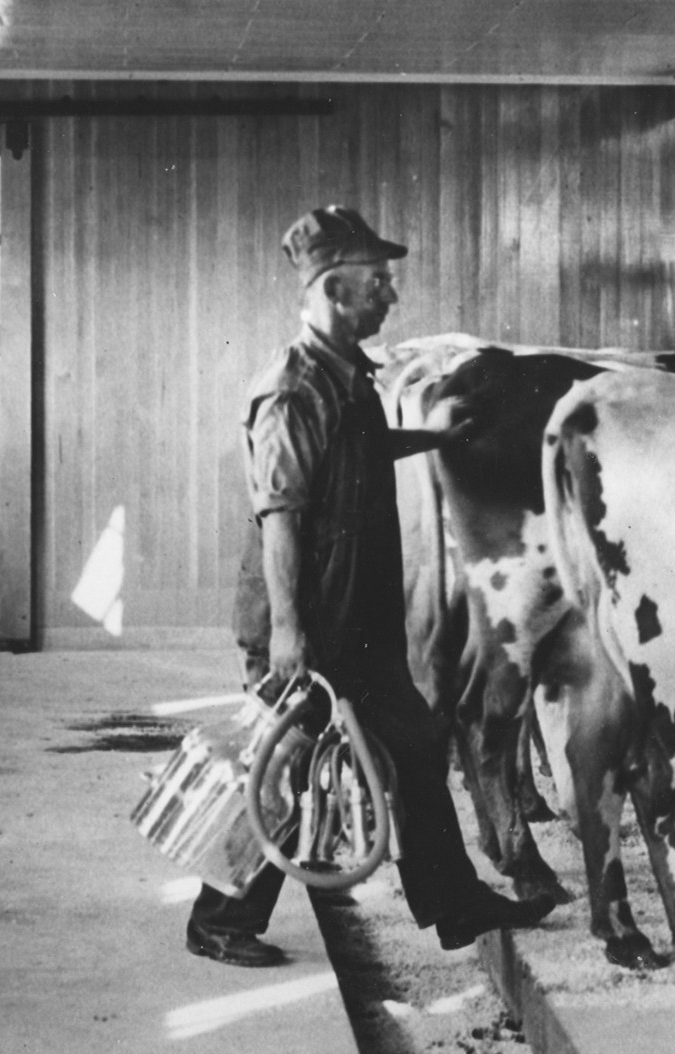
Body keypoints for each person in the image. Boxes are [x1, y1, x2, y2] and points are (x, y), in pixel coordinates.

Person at [185, 206, 557, 968]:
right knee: (283, 766)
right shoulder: (292, 390)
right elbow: (281, 516)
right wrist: (289, 631)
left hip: (356, 619)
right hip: (310, 622)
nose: (391, 295)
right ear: (332, 289)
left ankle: (453, 902)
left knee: (419, 744)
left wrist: (435, 439)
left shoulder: (344, 377)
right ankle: (220, 918)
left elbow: (361, 447)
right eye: (377, 283)